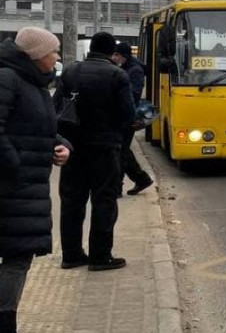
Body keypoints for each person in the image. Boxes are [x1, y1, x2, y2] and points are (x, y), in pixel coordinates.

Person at [0, 27, 71, 333]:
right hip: (11, 188)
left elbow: (39, 129)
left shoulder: (36, 84)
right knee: (16, 258)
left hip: (26, 188)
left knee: (19, 258)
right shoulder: (7, 78)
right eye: (54, 51)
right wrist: (15, 166)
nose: (57, 57)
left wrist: (62, 146)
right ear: (36, 54)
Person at [54, 32, 135, 273]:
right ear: (112, 52)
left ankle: (71, 255)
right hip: (104, 147)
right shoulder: (117, 75)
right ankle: (100, 257)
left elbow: (56, 106)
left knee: (71, 201)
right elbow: (128, 113)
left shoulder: (70, 72)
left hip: (72, 146)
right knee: (104, 200)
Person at [110, 42, 153, 196]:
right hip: (123, 115)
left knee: (121, 151)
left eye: (117, 55)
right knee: (122, 151)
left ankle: (120, 186)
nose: (114, 57)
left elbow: (133, 93)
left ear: (124, 56)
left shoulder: (135, 70)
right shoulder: (125, 68)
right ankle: (140, 179)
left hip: (128, 116)